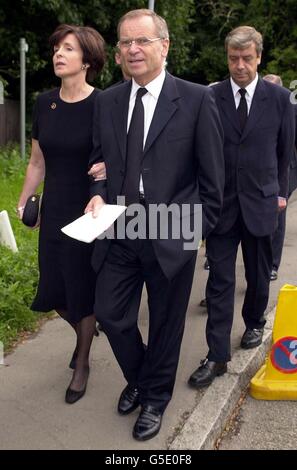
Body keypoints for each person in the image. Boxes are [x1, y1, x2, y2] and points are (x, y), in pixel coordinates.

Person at [85, 8, 224, 441]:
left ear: (164, 46)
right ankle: (144, 378)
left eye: (142, 40)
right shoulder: (107, 101)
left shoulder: (198, 99)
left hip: (172, 229)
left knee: (166, 322)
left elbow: (212, 183)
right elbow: (98, 160)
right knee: (111, 313)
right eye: (125, 42)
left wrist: (192, 234)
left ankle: (155, 399)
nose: (132, 49)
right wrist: (97, 193)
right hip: (121, 227)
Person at [188, 26, 295, 389]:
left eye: (246, 59)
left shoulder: (279, 99)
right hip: (219, 207)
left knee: (258, 272)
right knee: (219, 281)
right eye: (233, 59)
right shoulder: (211, 96)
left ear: (259, 58)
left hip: (262, 203)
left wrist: (282, 192)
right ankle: (217, 355)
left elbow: (286, 153)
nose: (239, 66)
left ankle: (254, 322)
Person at [17, 24, 106, 404]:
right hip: (53, 208)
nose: (58, 54)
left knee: (81, 288)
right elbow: (37, 161)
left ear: (87, 60)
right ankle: (85, 329)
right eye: (56, 48)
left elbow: (113, 155)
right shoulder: (43, 102)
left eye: (68, 48)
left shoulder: (104, 104)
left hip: (88, 209)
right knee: (55, 290)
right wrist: (26, 202)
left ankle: (83, 362)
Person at [262, 74, 297, 281]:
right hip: (260, 170)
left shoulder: (290, 108)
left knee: (278, 213)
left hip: (285, 169)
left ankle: (272, 263)